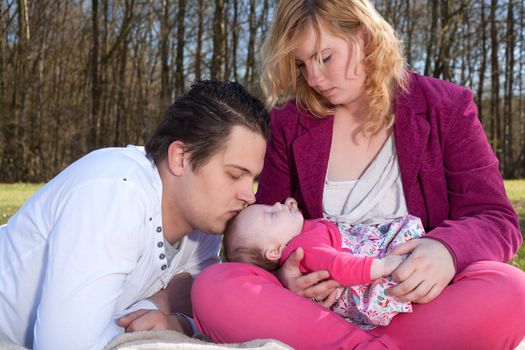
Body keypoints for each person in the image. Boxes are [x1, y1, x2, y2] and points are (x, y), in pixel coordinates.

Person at [191, 1, 525, 349]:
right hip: (321, 316)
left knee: (513, 290)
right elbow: (260, 230)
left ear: (365, 37)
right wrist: (283, 275)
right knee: (216, 286)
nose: (314, 78)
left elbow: (496, 218)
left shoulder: (447, 107)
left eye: (325, 57)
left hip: (421, 305)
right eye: (301, 64)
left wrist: (447, 250)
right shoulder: (288, 125)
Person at [0, 80, 269, 349]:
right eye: (234, 175)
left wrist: (177, 322)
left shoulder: (204, 224)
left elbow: (210, 313)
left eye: (253, 178)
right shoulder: (115, 191)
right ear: (180, 158)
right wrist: (161, 301)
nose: (250, 195)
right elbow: (63, 345)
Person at [223, 197, 425, 327]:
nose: (277, 204)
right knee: (408, 258)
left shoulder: (299, 233)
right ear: (275, 251)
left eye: (270, 205)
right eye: (272, 214)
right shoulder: (305, 249)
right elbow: (340, 266)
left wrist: (289, 210)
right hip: (369, 272)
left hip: (363, 262)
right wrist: (383, 265)